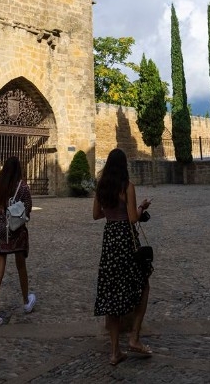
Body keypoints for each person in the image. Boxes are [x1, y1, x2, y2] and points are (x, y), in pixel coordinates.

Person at [93, 147, 152, 366]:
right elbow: (133, 219)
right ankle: (134, 336)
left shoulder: (102, 187)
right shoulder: (127, 187)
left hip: (109, 242)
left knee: (111, 295)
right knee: (143, 285)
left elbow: (95, 214)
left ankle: (114, 351)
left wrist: (110, 212)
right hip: (126, 242)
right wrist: (141, 207)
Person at [0, 155, 37, 329]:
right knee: (21, 267)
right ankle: (25, 301)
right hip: (17, 232)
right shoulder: (23, 187)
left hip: (0, 231)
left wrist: (2, 209)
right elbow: (28, 210)